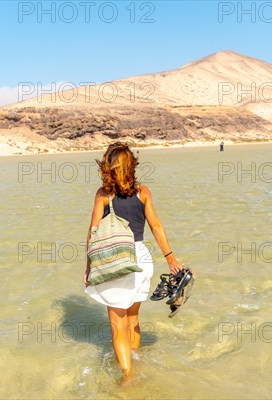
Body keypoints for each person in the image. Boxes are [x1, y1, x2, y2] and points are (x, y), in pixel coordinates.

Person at [84, 142, 183, 381]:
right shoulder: (143, 192)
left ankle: (128, 378)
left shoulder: (103, 195)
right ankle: (135, 362)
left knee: (117, 325)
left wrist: (89, 267)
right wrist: (170, 259)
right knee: (133, 319)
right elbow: (156, 227)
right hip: (142, 259)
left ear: (108, 167)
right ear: (131, 166)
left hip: (118, 260)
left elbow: (93, 232)